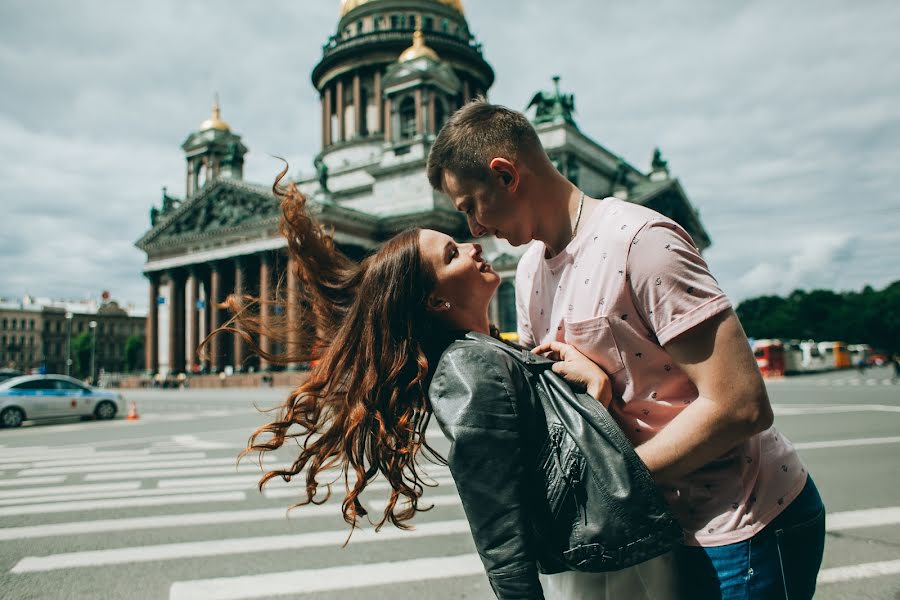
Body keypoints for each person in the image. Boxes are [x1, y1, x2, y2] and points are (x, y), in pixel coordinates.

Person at [212, 166, 681, 599]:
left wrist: (593, 393)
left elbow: (561, 454)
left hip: (616, 557)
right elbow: (498, 520)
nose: (474, 243)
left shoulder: (493, 350)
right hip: (607, 573)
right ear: (436, 301)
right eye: (452, 253)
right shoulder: (467, 369)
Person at [426, 100, 826, 600]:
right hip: (658, 528)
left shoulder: (641, 242)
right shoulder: (528, 272)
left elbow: (741, 405)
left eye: (469, 206)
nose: (474, 230)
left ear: (505, 175)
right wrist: (596, 396)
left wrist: (603, 485)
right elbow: (567, 422)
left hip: (743, 524)